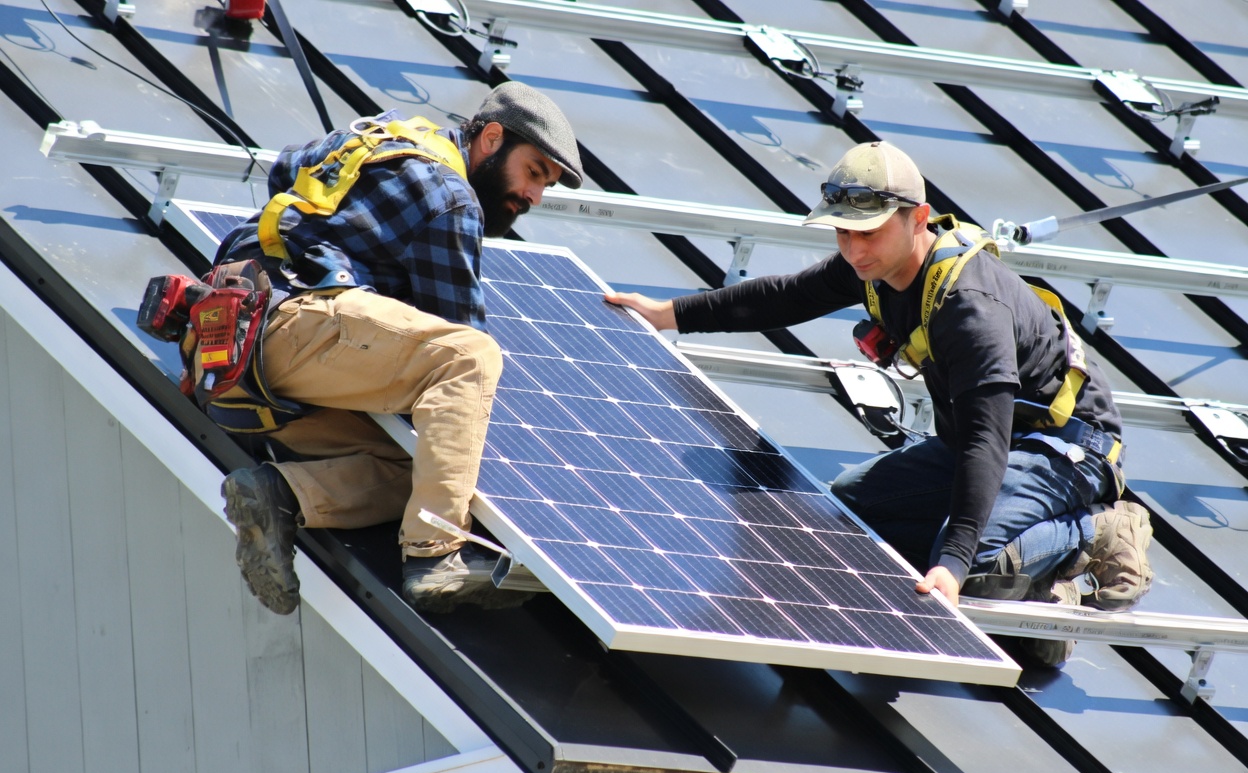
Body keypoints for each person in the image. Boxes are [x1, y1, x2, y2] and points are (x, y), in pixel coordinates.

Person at [606, 141, 1153, 667]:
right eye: (843, 233)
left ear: (919, 218)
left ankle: (1096, 532)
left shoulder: (971, 309)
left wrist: (953, 564)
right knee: (852, 510)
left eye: (867, 232)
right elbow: (783, 296)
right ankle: (1037, 594)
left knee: (965, 561)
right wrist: (667, 313)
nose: (854, 249)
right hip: (987, 444)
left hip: (1066, 449)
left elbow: (988, 440)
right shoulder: (874, 268)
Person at [207, 81, 583, 616]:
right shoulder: (451, 198)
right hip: (294, 325)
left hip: (231, 353)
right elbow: (460, 336)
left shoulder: (381, 136)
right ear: (492, 139)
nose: (534, 197)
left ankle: (280, 494)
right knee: (470, 357)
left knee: (418, 469)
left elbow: (286, 166)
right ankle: (435, 556)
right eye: (534, 172)